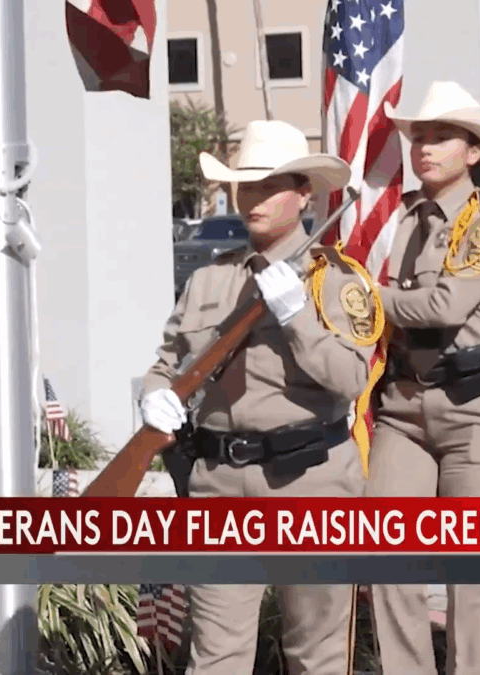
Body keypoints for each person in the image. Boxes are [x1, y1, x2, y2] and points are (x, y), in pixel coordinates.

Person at [138, 119, 382, 675]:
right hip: (220, 482)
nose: (253, 199)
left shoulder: (336, 280)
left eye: (269, 186)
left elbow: (350, 378)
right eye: (245, 186)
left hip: (310, 481)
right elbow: (167, 364)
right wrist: (155, 398)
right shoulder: (210, 281)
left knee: (316, 653)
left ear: (303, 195)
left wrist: (298, 317)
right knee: (216, 655)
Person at [365, 81, 480, 675]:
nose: (425, 147)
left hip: (476, 407)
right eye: (419, 137)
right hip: (405, 405)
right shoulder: (400, 217)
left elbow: (442, 307)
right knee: (385, 559)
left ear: (475, 151)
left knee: (474, 574)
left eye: (441, 136)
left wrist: (362, 296)